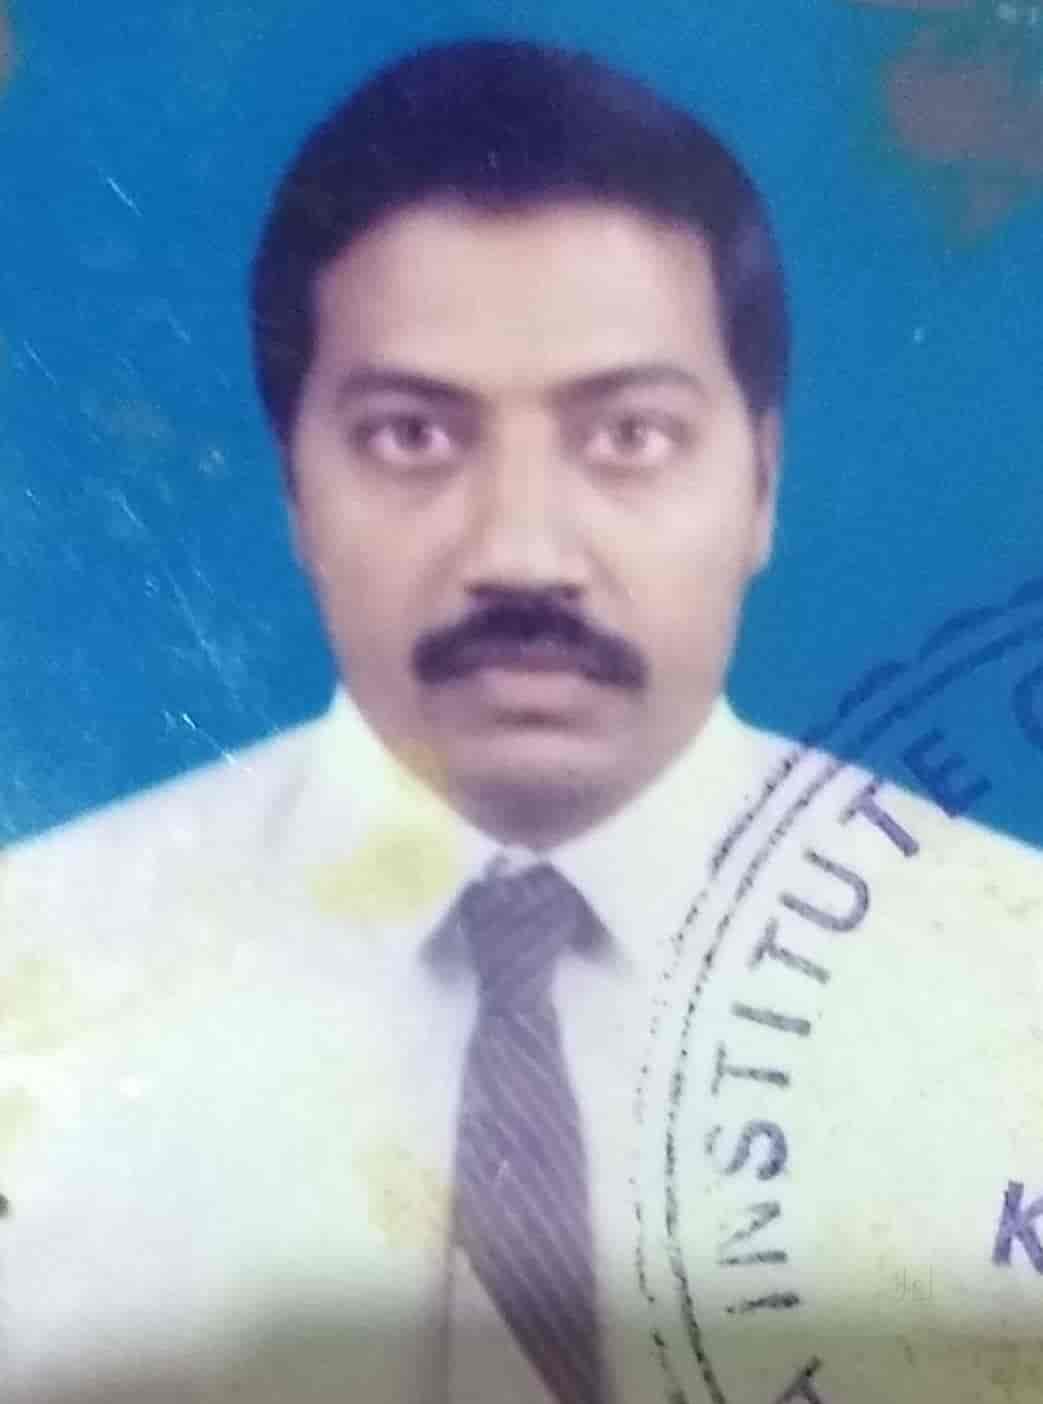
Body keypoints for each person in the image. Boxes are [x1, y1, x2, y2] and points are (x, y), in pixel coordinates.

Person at [2, 39, 1040, 1404]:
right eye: (413, 437)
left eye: (629, 437)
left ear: (763, 482)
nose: (522, 553)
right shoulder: (35, 981)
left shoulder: (1012, 994)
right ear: (295, 489)